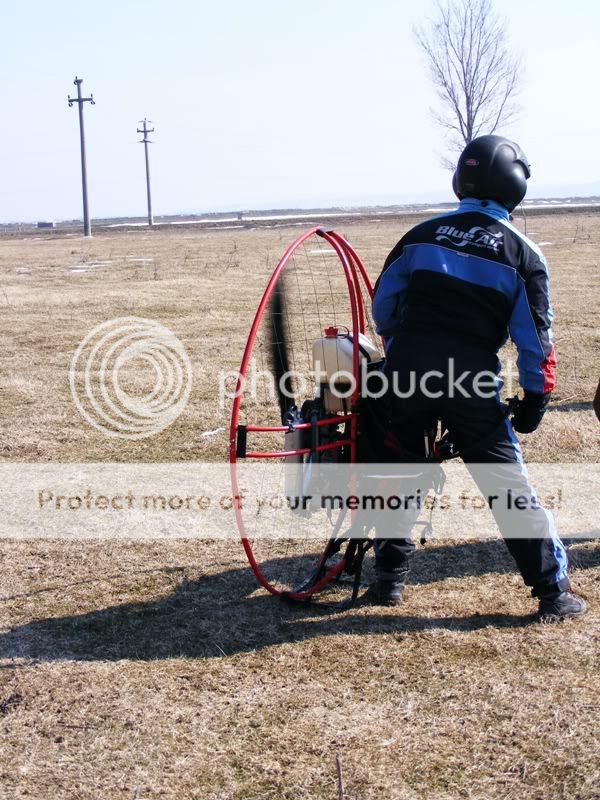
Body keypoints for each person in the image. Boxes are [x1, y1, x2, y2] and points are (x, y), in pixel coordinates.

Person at [368, 134, 586, 621]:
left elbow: (385, 304)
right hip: (469, 380)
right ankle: (554, 594)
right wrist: (536, 398)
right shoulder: (522, 254)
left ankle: (388, 581)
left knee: (401, 473)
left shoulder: (420, 236)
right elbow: (534, 339)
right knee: (507, 484)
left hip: (405, 374)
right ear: (515, 186)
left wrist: (400, 350)